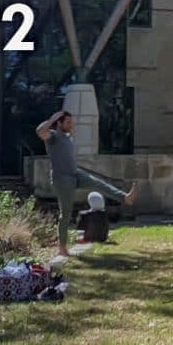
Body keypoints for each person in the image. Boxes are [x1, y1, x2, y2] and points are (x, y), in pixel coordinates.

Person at [37, 109, 139, 258]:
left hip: (75, 174)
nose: (71, 125)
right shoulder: (53, 136)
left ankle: (125, 198)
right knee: (65, 214)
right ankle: (62, 248)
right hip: (62, 179)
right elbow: (40, 131)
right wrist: (52, 119)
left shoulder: (67, 137)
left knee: (98, 183)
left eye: (72, 122)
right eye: (68, 122)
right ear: (58, 123)